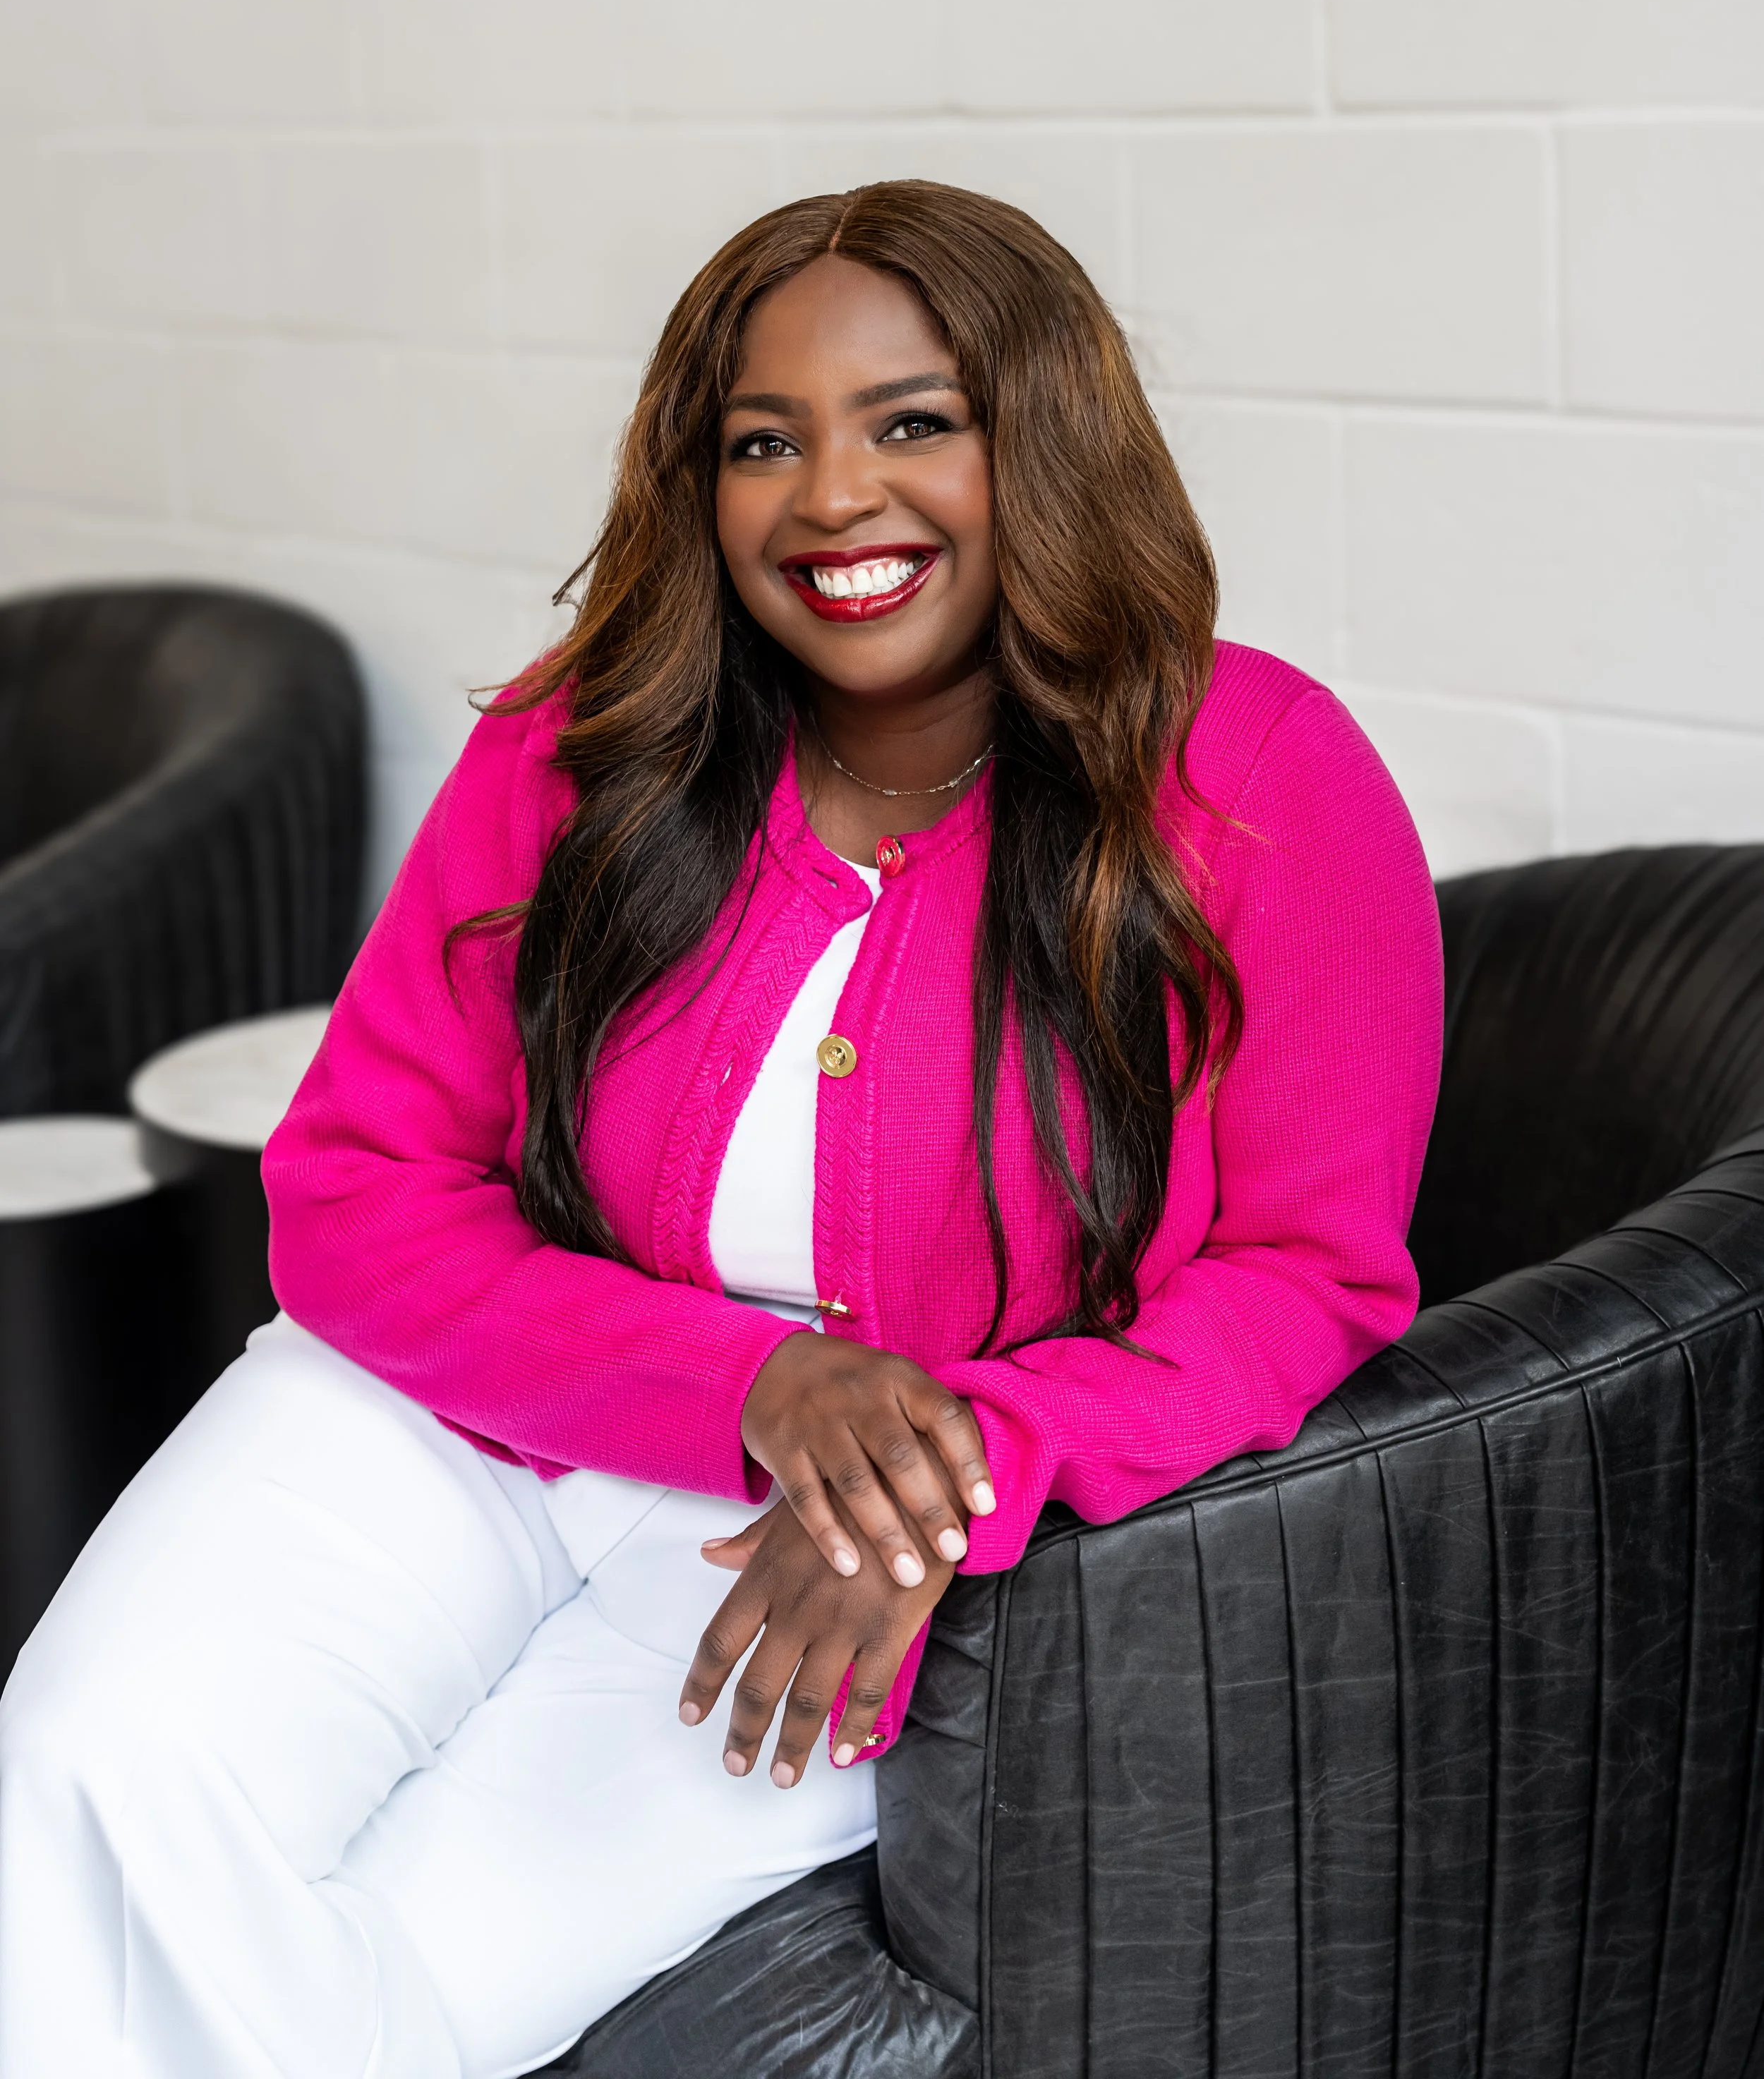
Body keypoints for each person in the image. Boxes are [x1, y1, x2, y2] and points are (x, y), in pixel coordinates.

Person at [0, 182, 1443, 2078]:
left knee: (419, 1970)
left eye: (913, 421)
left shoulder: (1251, 775)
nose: (834, 496)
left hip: (832, 1525)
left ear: (1047, 435)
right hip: (457, 1422)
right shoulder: (586, 743)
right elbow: (358, 1186)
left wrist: (965, 1468)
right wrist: (768, 1380)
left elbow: (1308, 1275)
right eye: (764, 443)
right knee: (96, 1788)